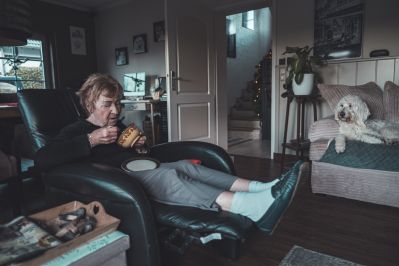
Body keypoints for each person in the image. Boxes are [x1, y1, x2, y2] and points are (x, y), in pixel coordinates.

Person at [35, 73, 304, 234]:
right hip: (116, 183)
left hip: (137, 169)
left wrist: (141, 145)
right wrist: (91, 139)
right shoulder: (77, 130)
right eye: (107, 104)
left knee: (186, 167)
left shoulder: (119, 126)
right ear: (90, 103)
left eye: (118, 103)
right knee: (170, 175)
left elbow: (141, 154)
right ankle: (251, 207)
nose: (115, 111)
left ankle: (263, 188)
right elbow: (43, 159)